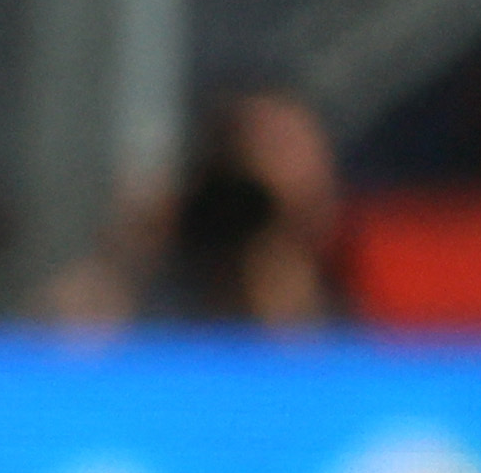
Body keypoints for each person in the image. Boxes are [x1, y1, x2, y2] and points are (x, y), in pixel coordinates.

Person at [33, 80, 343, 333]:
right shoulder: (144, 301)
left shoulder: (365, 283)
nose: (256, 171)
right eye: (235, 152)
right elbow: (61, 346)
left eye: (281, 147)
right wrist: (125, 258)